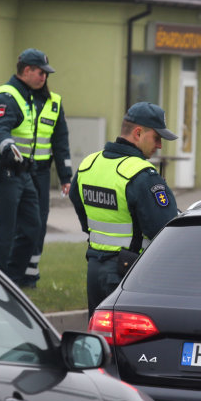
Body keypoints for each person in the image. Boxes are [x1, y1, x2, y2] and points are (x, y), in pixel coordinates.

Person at [69, 102, 180, 317]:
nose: (159, 146)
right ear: (138, 133)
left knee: (100, 336)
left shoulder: (88, 164)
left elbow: (81, 209)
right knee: (125, 341)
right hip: (128, 272)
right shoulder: (142, 175)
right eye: (157, 138)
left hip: (94, 267)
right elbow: (165, 230)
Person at [0, 48, 72, 288]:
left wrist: (66, 174)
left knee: (34, 226)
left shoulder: (33, 96)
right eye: (40, 72)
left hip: (26, 172)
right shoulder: (8, 95)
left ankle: (13, 278)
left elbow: (59, 140)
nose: (44, 77)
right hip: (5, 169)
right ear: (26, 71)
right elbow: (0, 126)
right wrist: (7, 144)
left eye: (46, 73)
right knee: (6, 229)